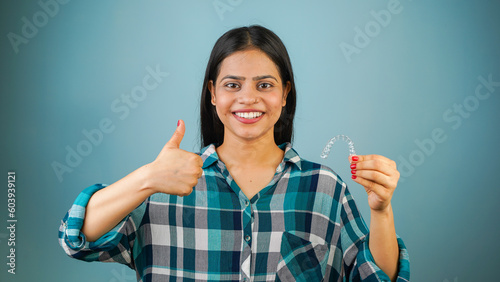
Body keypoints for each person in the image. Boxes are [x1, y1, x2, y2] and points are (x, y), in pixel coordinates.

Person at [58, 25, 410, 281]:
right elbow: (76, 237)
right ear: (213, 93)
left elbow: (377, 277)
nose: (248, 98)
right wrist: (147, 177)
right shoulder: (167, 183)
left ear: (285, 93)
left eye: (265, 85)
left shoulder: (324, 188)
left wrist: (381, 210)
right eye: (232, 85)